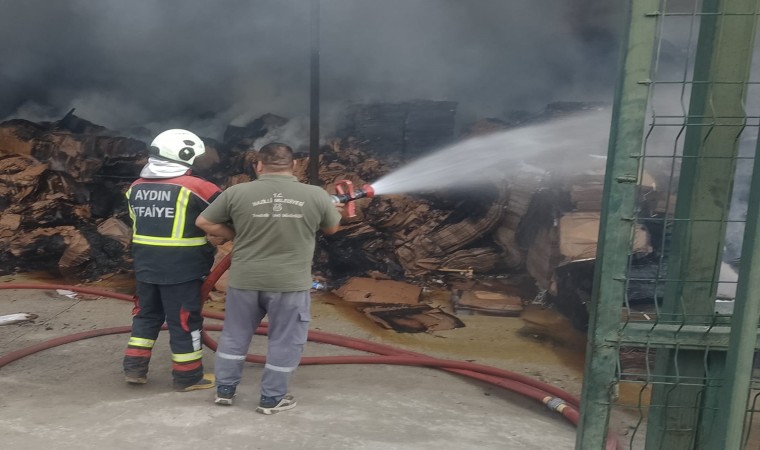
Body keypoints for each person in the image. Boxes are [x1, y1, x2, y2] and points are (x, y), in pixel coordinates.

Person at [195, 142, 342, 414]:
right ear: (294, 165)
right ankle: (272, 398)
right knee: (285, 340)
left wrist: (235, 235)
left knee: (234, 335)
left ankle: (224, 390)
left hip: (245, 280)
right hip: (290, 284)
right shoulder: (316, 195)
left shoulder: (237, 192)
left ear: (258, 165)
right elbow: (332, 228)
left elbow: (203, 222)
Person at [123, 129, 224, 392]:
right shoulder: (197, 186)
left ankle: (134, 368)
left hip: (145, 264)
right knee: (184, 321)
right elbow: (230, 210)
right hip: (182, 268)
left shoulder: (135, 187)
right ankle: (188, 376)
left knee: (146, 315)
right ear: (185, 154)